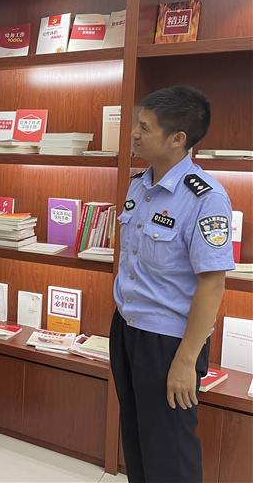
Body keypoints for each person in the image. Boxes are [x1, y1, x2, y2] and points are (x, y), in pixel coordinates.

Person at [110, 86, 235, 483]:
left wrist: (185, 360)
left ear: (177, 138)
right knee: (137, 441)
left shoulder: (206, 198)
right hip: (127, 328)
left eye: (145, 128)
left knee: (171, 453)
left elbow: (212, 285)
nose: (134, 133)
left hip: (168, 343)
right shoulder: (139, 183)